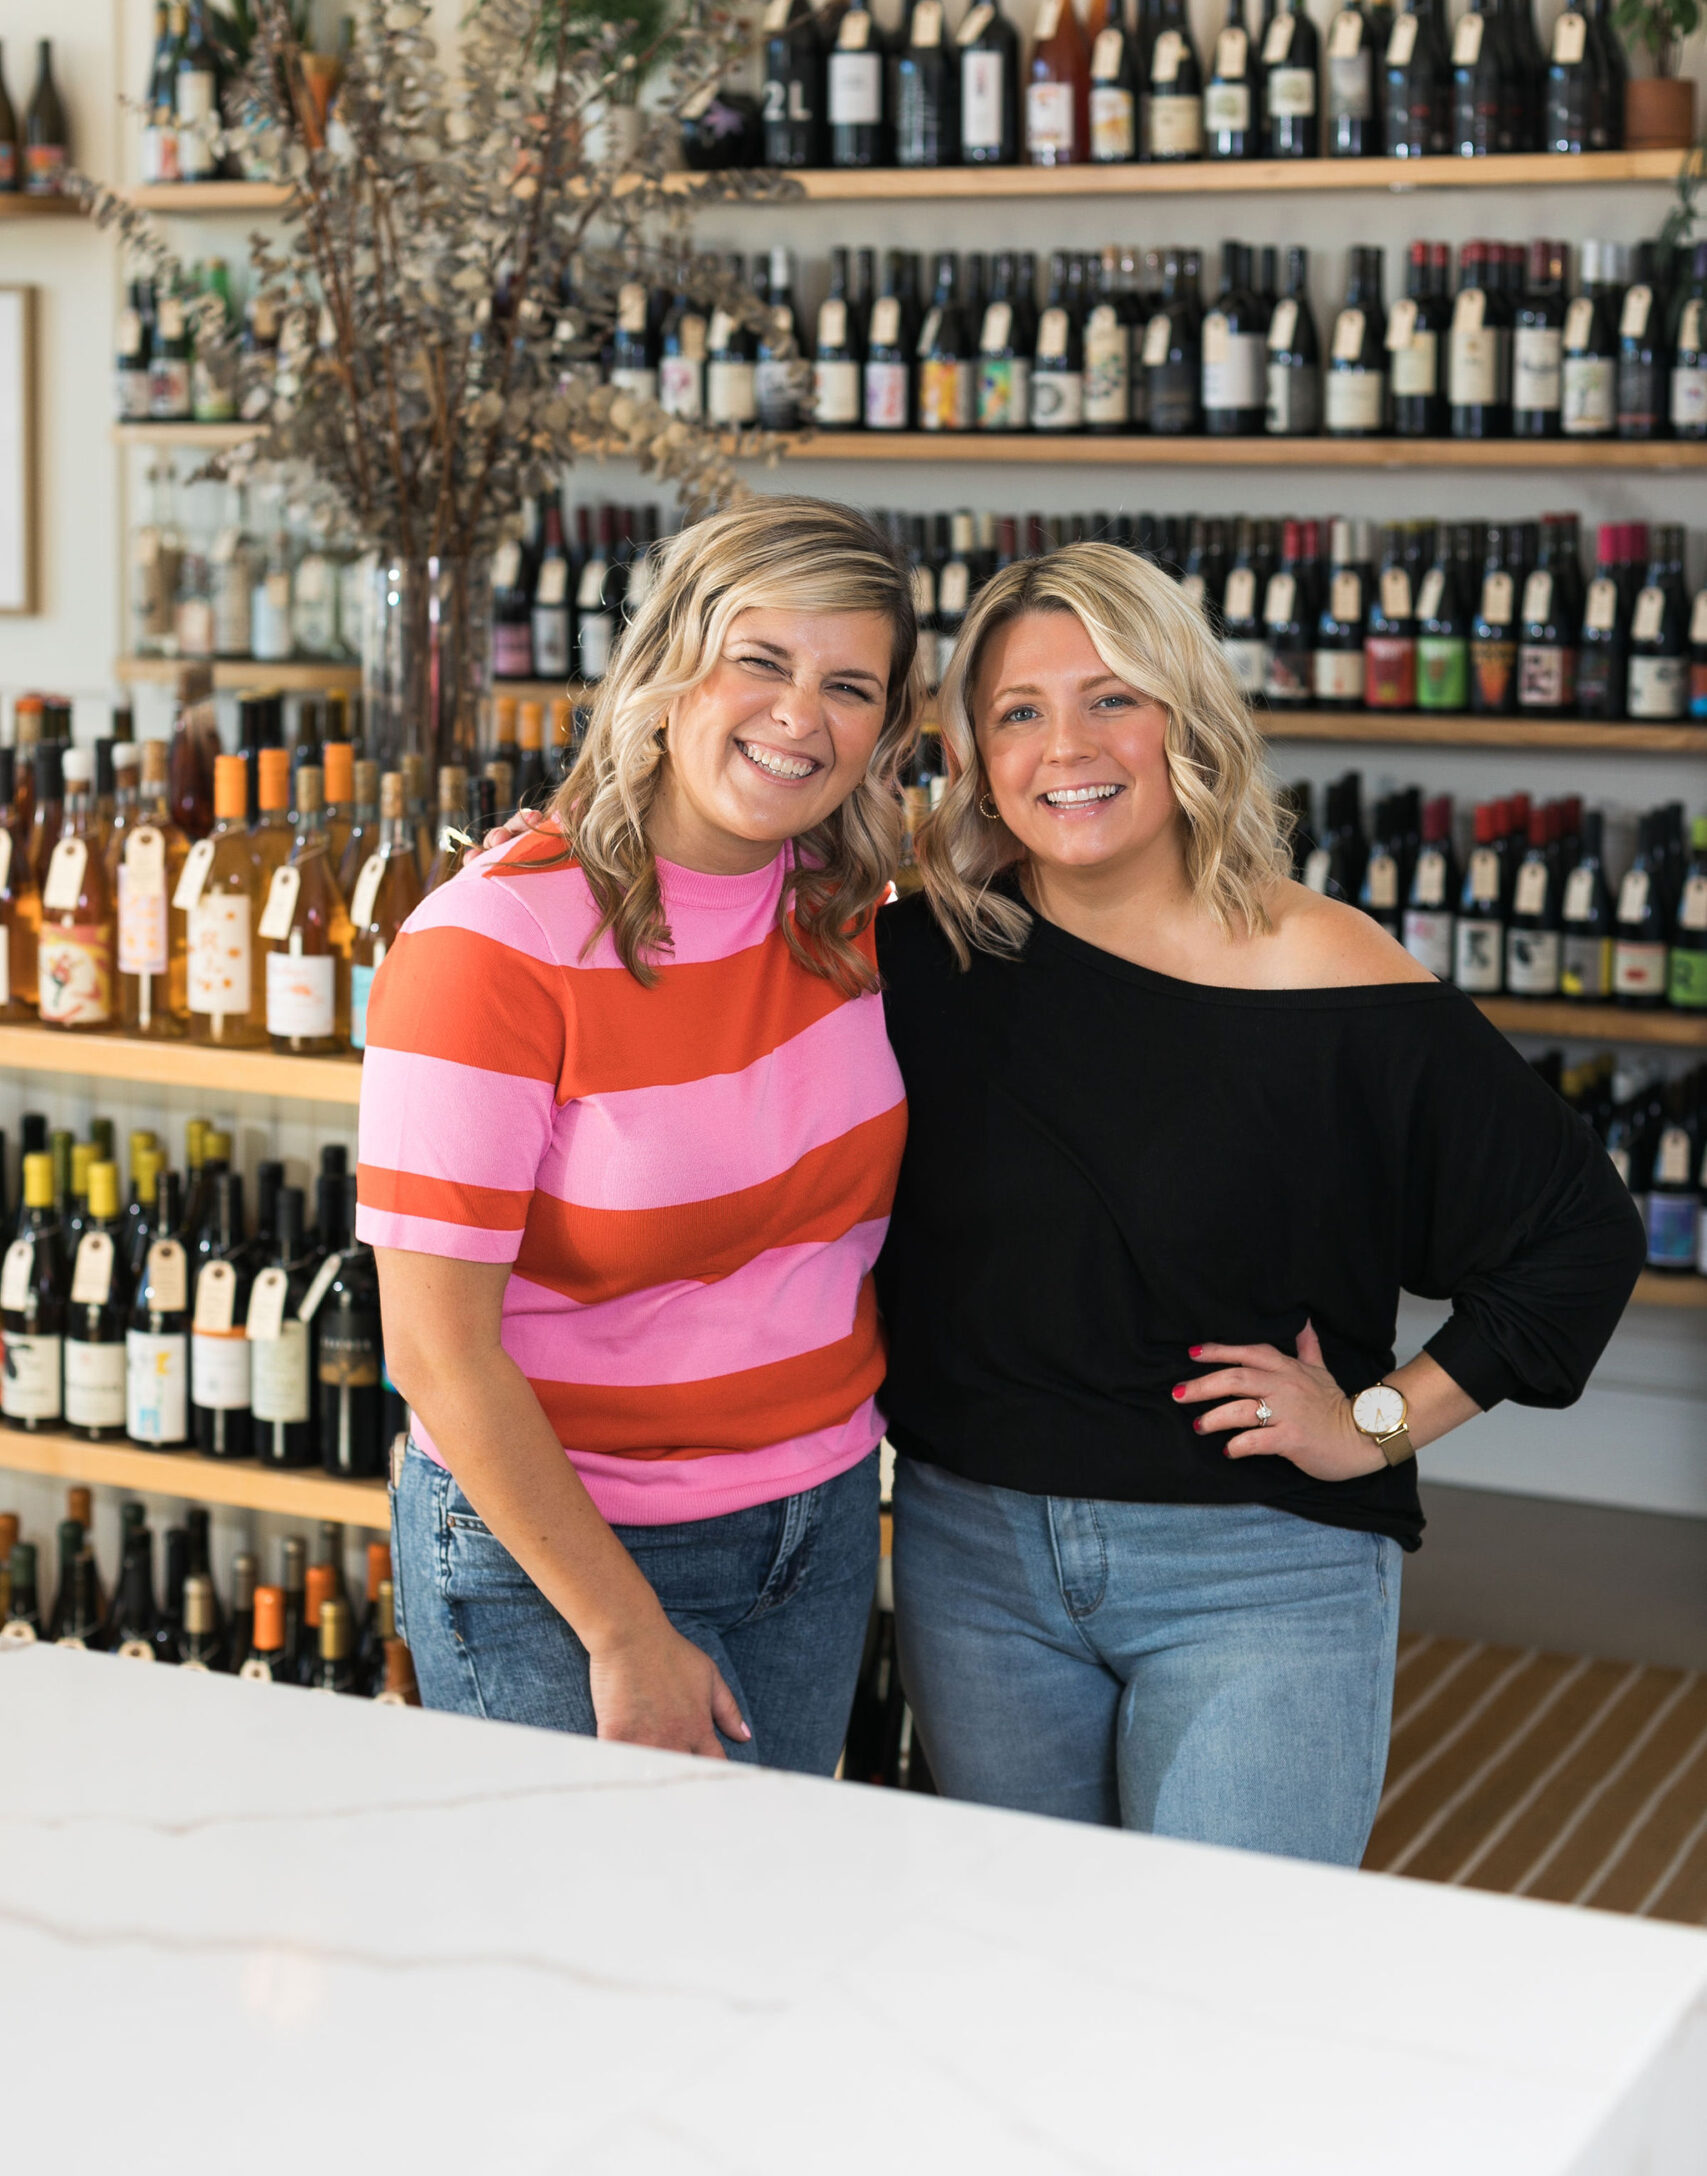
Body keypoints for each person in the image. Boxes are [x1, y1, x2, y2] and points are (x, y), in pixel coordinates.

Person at [876, 541, 1645, 1864]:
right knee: (1026, 1982)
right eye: (1017, 712)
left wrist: (1378, 1424)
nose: (1067, 743)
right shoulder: (921, 956)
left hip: (1255, 1568)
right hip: (972, 1560)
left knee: (1228, 2002)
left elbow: (1573, 1239)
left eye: (1110, 694)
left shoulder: (1324, 971)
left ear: (1185, 714)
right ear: (974, 758)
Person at [356, 497, 924, 1770]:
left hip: (819, 1522)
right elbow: (434, 1351)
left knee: (759, 1944)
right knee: (583, 1950)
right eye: (760, 662)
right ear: (667, 666)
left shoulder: (855, 918)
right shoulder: (492, 947)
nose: (799, 717)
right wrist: (622, 1630)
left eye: (849, 685)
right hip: (559, 1563)